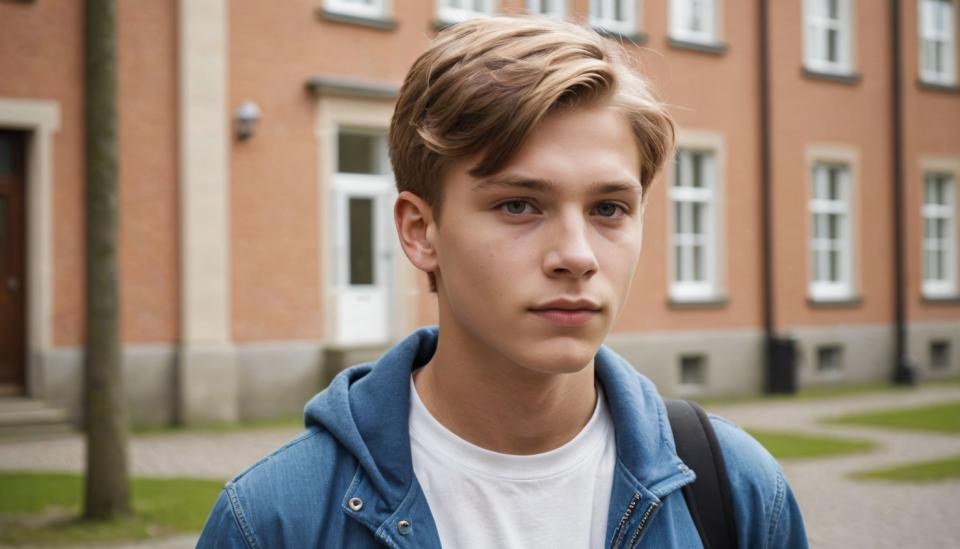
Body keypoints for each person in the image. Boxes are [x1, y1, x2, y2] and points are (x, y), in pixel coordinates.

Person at [198, 16, 807, 549]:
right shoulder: (276, 521)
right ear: (420, 231)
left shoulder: (737, 492)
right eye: (519, 205)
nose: (576, 256)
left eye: (609, 209)